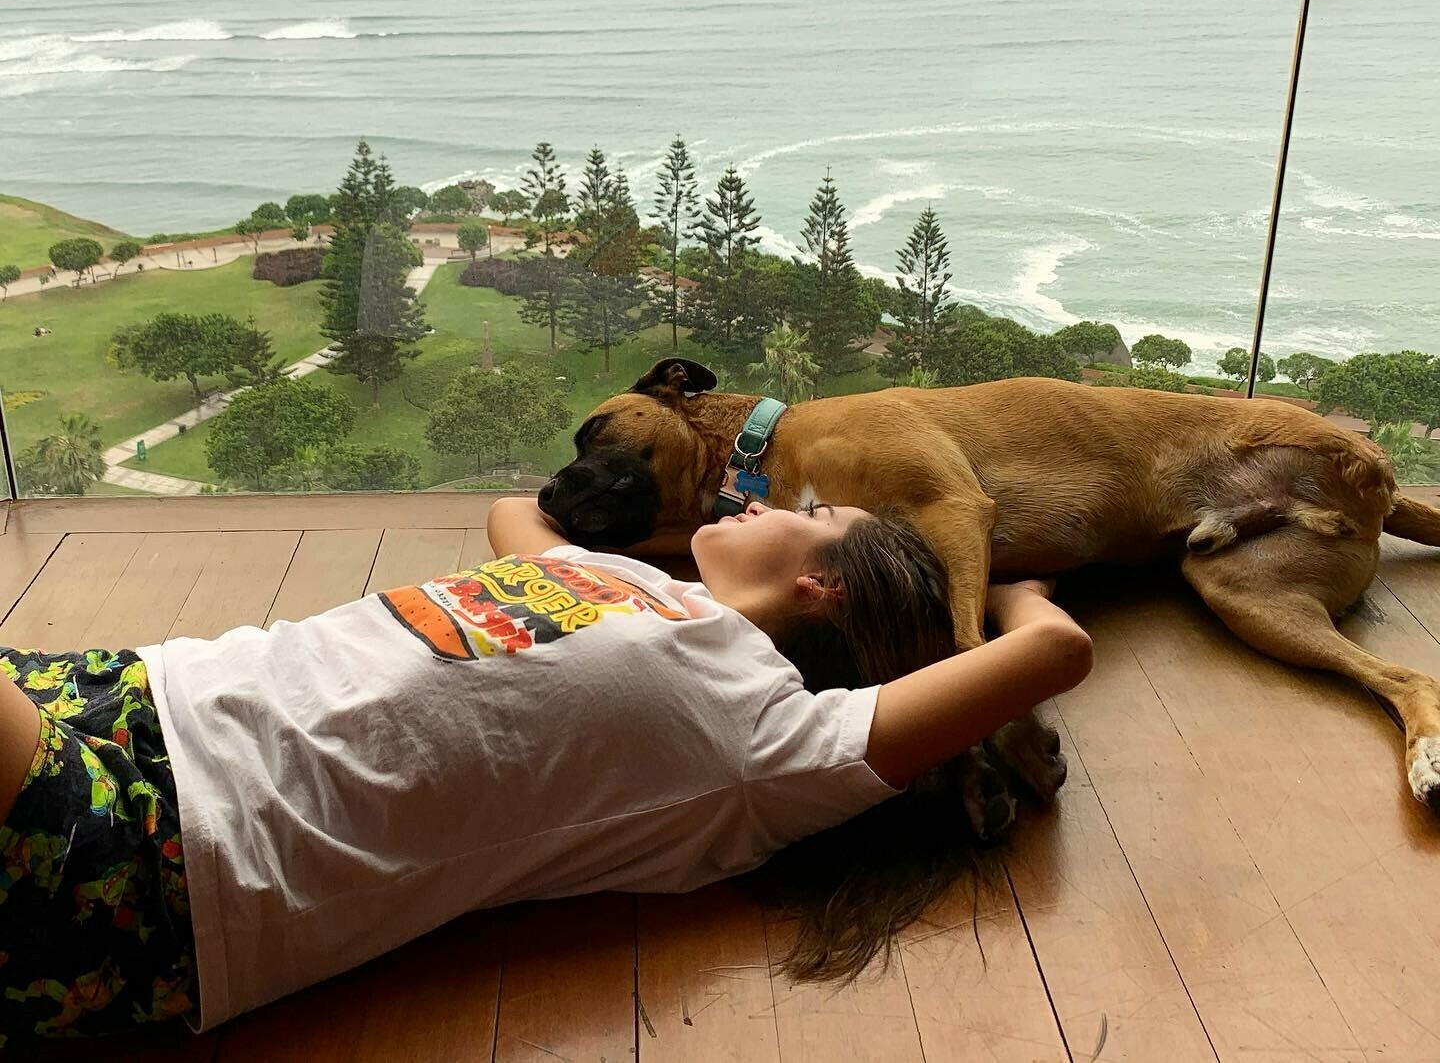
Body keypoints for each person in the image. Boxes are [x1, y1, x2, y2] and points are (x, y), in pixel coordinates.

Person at [0, 494, 1091, 1043]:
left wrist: (1009, 589)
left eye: (806, 515)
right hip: (137, 687)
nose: (758, 502)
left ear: (827, 585)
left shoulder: (769, 740)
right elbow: (516, 514)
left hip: (166, 851)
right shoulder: (629, 583)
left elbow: (1056, 652)